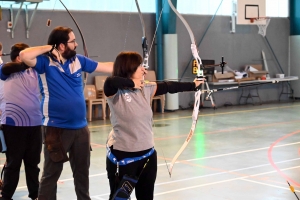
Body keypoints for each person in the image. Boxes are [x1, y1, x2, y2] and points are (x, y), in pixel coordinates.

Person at [19, 26, 114, 200]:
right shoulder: (44, 63)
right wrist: (49, 48)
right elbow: (24, 55)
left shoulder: (79, 60)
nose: (76, 44)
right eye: (72, 41)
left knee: (82, 175)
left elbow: (106, 67)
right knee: (51, 175)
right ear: (61, 46)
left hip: (81, 129)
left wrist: (132, 69)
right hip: (56, 129)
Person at [104, 51, 204, 200]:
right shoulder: (114, 92)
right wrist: (132, 83)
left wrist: (194, 85)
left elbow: (169, 86)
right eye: (140, 67)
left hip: (147, 157)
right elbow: (110, 82)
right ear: (129, 68)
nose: (144, 70)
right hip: (124, 157)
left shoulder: (146, 88)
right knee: (118, 198)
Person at [0, 43, 42, 200]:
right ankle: (6, 196)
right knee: (13, 164)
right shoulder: (6, 70)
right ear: (19, 57)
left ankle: (35, 195)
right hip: (13, 125)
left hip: (34, 124)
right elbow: (6, 70)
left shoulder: (34, 70)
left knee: (33, 165)